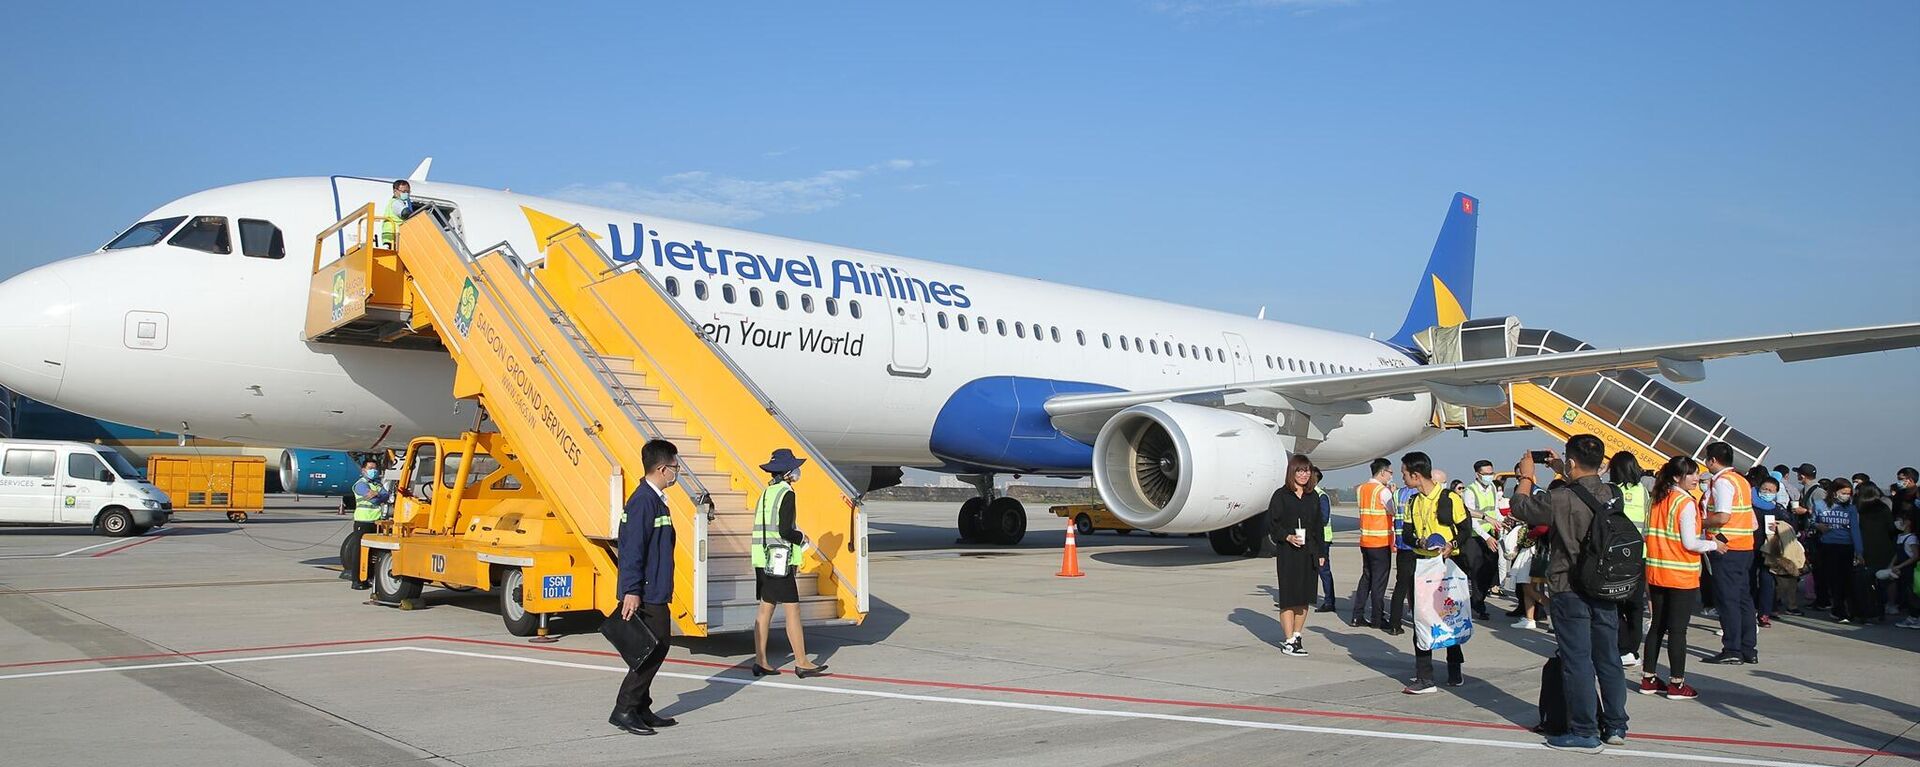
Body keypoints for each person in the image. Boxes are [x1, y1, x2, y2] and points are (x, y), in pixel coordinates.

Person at [1510, 435, 1631, 752]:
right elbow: (1587, 485)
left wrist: (1526, 476)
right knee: (1608, 659)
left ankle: (1585, 732)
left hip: (1569, 588)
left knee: (1577, 661)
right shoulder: (1612, 493)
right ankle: (1616, 725)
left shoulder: (1561, 497)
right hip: (1606, 587)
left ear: (1572, 461)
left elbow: (1521, 507)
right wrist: (1564, 468)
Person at [610, 439, 682, 736]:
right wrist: (632, 590)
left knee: (653, 647)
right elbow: (632, 550)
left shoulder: (654, 500)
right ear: (663, 469)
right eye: (676, 467)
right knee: (654, 648)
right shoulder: (643, 502)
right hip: (646, 590)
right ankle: (625, 708)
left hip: (654, 588)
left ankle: (640, 705)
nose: (678, 473)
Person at [1638, 456, 1724, 701]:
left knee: (1657, 626)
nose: (1697, 478)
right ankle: (1677, 683)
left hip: (1656, 571)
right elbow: (1689, 542)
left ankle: (1649, 678)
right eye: (1691, 474)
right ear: (1677, 477)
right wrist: (1713, 545)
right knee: (1677, 631)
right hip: (1680, 574)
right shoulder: (1685, 503)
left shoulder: (1658, 499)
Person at [751, 448, 828, 678]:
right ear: (787, 472)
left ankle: (761, 661)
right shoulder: (787, 493)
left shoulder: (766, 492)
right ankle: (802, 662)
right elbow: (785, 530)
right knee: (793, 610)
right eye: (795, 468)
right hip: (779, 561)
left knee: (765, 610)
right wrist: (802, 538)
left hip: (761, 559)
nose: (797, 471)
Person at [1399, 452, 1465, 694]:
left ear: (1416, 475)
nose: (1403, 477)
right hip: (1422, 566)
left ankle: (1455, 667)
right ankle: (1425, 677)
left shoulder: (1449, 498)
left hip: (1446, 567)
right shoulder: (1412, 501)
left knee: (1449, 618)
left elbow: (1465, 529)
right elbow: (1405, 534)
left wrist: (1452, 545)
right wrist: (1418, 540)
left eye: (1405, 473)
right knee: (1421, 620)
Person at [1700, 442, 1759, 665]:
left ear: (1713, 460)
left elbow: (1723, 516)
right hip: (1744, 545)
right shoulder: (1741, 480)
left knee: (1728, 599)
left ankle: (1732, 648)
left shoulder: (1722, 482)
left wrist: (1700, 523)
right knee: (1744, 598)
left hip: (1727, 547)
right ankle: (1748, 648)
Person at [1266, 455, 1325, 656]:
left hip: (1309, 552)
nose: (1304, 474)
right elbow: (1273, 526)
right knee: (1289, 597)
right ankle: (1289, 640)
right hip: (1289, 553)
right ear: (1292, 472)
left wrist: (1322, 552)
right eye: (1300, 470)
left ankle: (1298, 634)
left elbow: (1319, 527)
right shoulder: (1281, 495)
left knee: (1304, 597)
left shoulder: (1313, 496)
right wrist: (1287, 536)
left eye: (1307, 471)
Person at [1608, 452, 1648, 667]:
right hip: (1639, 554)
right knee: (1635, 606)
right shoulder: (1642, 491)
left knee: (1614, 603)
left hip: (1616, 555)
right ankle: (1632, 650)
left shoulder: (1612, 491)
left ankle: (1622, 646)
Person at [1350, 458, 1396, 629]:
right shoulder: (1382, 491)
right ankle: (1378, 618)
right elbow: (1393, 510)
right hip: (1380, 541)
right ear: (1383, 472)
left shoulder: (1362, 489)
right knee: (1379, 582)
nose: (1391, 476)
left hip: (1366, 540)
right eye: (1390, 472)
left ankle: (1357, 615)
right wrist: (1393, 492)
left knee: (1366, 578)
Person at [1813, 479, 1857, 622]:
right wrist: (1818, 526)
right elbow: (1812, 521)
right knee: (1834, 579)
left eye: (1848, 493)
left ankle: (1843, 608)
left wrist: (1859, 551)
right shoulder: (1820, 505)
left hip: (1846, 546)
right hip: (1828, 546)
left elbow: (1855, 531)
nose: (1846, 496)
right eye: (1843, 493)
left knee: (1847, 580)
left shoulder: (1851, 508)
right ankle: (1839, 610)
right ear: (1834, 492)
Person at [1463, 460, 1503, 621]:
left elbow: (1494, 510)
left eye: (1490, 473)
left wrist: (1504, 519)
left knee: (1491, 569)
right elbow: (1470, 517)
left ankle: (1477, 599)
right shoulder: (1470, 491)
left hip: (1490, 533)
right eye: (1486, 474)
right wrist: (1485, 537)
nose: (1489, 476)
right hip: (1475, 536)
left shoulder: (1492, 487)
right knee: (1477, 571)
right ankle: (1479, 604)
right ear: (1477, 474)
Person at [1852, 483, 1896, 624]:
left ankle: (1865, 612)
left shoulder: (1858, 509)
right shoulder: (1883, 508)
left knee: (1863, 584)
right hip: (1883, 549)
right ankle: (1879, 611)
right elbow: (1891, 528)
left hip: (1864, 550)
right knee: (1880, 583)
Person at [339, 459, 387, 590]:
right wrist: (378, 495)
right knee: (358, 552)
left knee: (373, 553)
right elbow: (373, 497)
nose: (373, 471)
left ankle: (368, 578)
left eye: (375, 468)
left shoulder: (376, 483)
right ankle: (356, 580)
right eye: (370, 468)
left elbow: (385, 495)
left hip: (376, 521)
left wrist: (377, 495)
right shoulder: (360, 484)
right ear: (363, 470)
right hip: (363, 522)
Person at [1386, 482, 1420, 636]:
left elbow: (1392, 512)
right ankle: (1417, 617)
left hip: (1402, 544)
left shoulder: (1397, 493)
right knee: (1419, 586)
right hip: (1418, 545)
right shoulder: (1420, 494)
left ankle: (1394, 624)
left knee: (1401, 585)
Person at [1751, 474, 1784, 627]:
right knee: (1749, 580)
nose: (1767, 492)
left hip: (1769, 550)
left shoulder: (1777, 509)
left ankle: (1764, 613)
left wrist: (1780, 526)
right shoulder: (1750, 504)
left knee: (1767, 581)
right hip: (1750, 547)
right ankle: (1749, 610)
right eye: (1765, 489)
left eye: (1771, 490)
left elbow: (1791, 524)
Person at [1761, 516, 1807, 618]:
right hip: (1783, 559)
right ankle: (1783, 606)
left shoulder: (1783, 525)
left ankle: (1784, 606)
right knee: (1783, 586)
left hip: (1785, 559)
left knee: (1787, 585)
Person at [1313, 467, 1338, 613]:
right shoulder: (1309, 495)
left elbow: (1323, 518)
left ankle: (1329, 601)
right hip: (1312, 539)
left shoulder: (1321, 496)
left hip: (1322, 539)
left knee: (1324, 571)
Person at [1890, 509, 1919, 628]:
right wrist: (1892, 565)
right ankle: (1913, 616)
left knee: (1913, 594)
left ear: (1908, 522)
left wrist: (1900, 566)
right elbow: (1897, 554)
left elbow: (1915, 556)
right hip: (1901, 569)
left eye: (1900, 520)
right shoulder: (1900, 537)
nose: (1897, 523)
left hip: (1911, 570)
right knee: (1907, 594)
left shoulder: (1912, 538)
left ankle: (1915, 617)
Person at [381, 180, 417, 248]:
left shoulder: (402, 202)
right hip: (393, 235)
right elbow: (405, 213)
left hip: (391, 236)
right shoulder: (396, 202)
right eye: (403, 191)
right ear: (395, 191)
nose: (406, 194)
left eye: (408, 191)